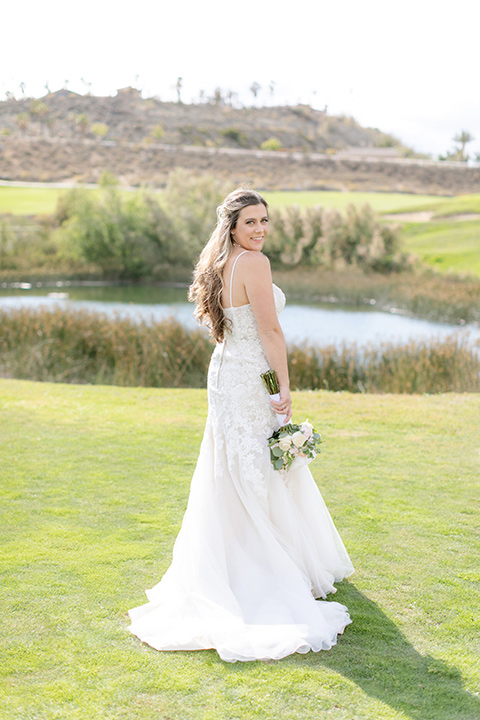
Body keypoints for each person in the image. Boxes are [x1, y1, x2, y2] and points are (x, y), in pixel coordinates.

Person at [128, 187, 354, 662]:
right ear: (232, 225)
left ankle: (236, 562)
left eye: (265, 221)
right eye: (251, 221)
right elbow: (270, 331)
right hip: (250, 375)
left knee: (236, 463)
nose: (260, 230)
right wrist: (282, 387)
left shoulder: (222, 261)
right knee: (256, 464)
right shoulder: (254, 263)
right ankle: (263, 569)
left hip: (225, 370)